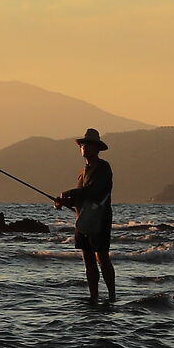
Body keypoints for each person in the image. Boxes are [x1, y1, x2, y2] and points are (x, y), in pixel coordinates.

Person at [56, 128, 116, 302]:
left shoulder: (103, 167)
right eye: (82, 144)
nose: (84, 147)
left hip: (100, 218)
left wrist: (67, 193)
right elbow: (80, 198)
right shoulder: (82, 171)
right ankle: (94, 297)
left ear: (97, 148)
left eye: (88, 144)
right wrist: (64, 201)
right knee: (87, 259)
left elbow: (93, 192)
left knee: (102, 257)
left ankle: (112, 296)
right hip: (82, 219)